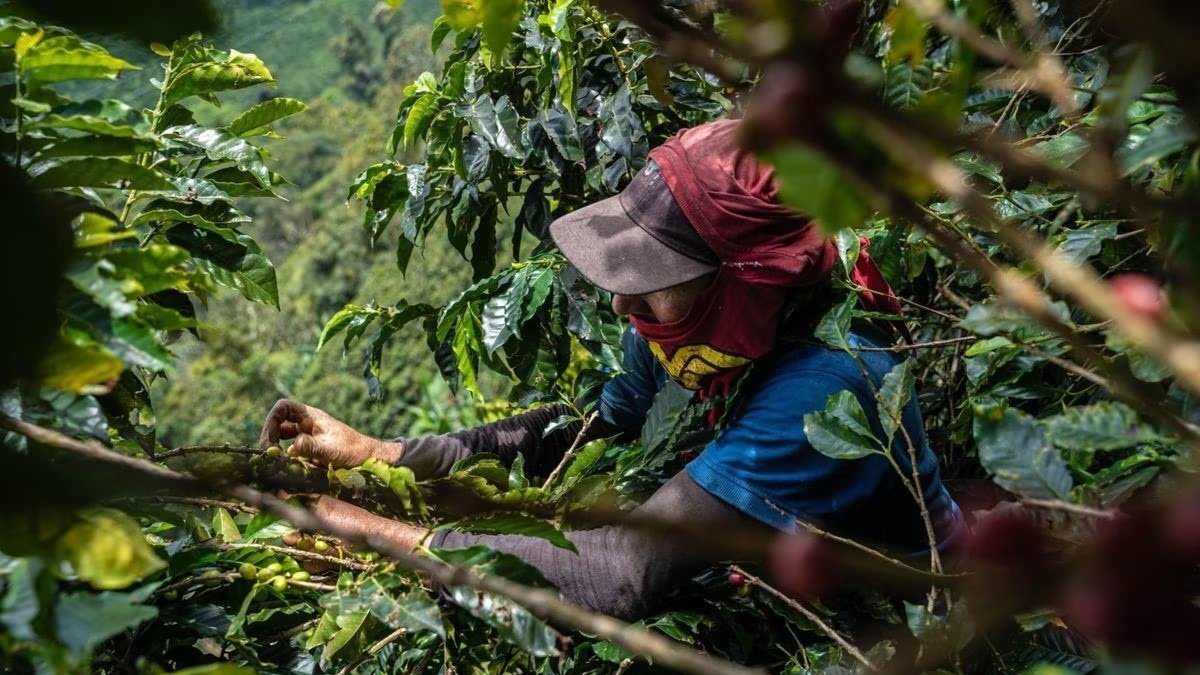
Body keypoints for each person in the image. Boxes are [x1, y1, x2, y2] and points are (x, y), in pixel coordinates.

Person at [258, 119, 964, 620]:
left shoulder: (829, 389)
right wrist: (380, 456)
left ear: (746, 286)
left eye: (654, 276)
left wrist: (380, 537)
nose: (624, 301)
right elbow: (581, 430)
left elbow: (623, 571)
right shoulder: (686, 328)